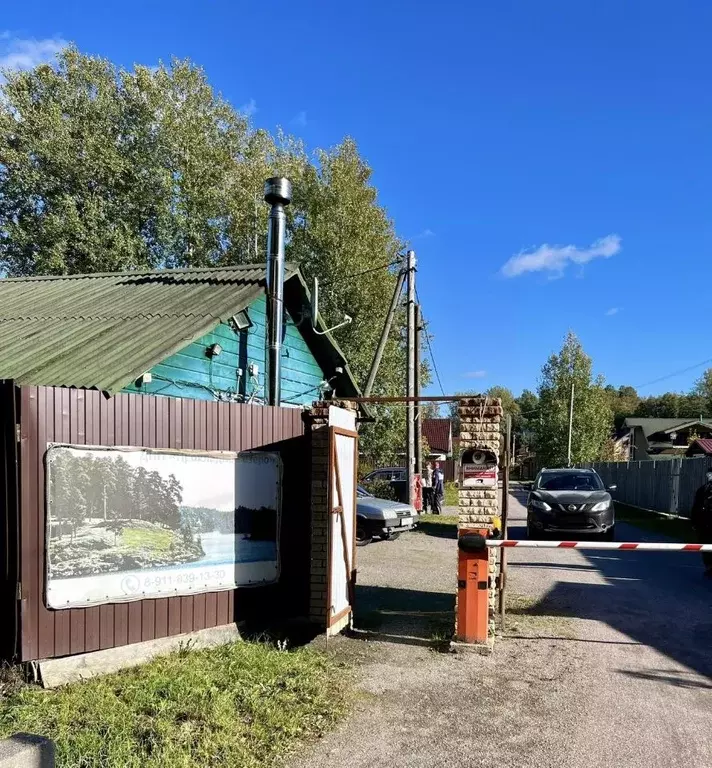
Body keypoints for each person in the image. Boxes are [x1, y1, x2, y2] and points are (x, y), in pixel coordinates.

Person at [691, 470, 712, 575]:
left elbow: (696, 508)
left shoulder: (703, 489)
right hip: (705, 523)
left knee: (706, 545)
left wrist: (694, 523)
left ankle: (709, 567)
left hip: (705, 523)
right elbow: (696, 507)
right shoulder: (703, 489)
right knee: (706, 545)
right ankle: (709, 567)